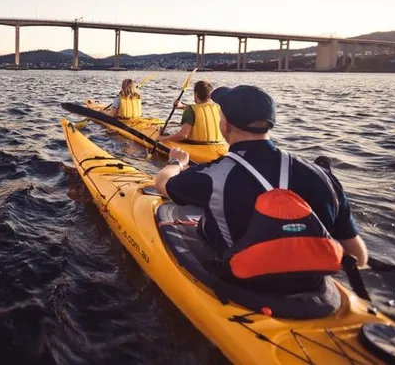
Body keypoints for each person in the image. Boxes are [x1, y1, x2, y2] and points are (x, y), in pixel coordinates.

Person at [154, 85, 367, 293]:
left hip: (240, 285)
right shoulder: (321, 176)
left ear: (226, 125)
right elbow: (358, 256)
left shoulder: (214, 175)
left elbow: (162, 184)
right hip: (311, 287)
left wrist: (176, 162)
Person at [157, 81, 223, 145]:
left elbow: (183, 135)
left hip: (194, 143)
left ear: (196, 94)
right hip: (216, 143)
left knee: (164, 131)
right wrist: (181, 106)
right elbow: (200, 108)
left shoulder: (190, 110)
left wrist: (163, 138)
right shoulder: (218, 107)